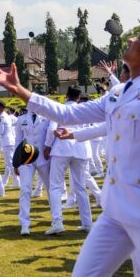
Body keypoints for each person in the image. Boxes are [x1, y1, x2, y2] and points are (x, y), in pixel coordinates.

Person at [0, 24, 140, 277]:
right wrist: (20, 90)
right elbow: (67, 114)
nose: (131, 38)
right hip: (115, 210)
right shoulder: (118, 94)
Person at [44, 86, 92, 235]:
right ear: (78, 97)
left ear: (67, 95)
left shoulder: (60, 109)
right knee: (81, 187)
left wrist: (47, 146)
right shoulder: (84, 109)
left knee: (55, 186)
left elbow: (52, 129)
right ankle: (87, 222)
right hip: (80, 148)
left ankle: (57, 222)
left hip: (62, 148)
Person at [14, 110, 53, 235]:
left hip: (43, 157)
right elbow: (18, 140)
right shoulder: (21, 119)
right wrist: (16, 161)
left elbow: (51, 136)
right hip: (26, 159)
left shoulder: (47, 116)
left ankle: (56, 219)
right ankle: (24, 223)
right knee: (25, 189)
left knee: (50, 189)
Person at [0, 104, 19, 188]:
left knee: (10, 163)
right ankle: (4, 182)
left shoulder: (2, 117)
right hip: (10, 140)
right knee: (8, 164)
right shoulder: (7, 116)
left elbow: (0, 131)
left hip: (7, 142)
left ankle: (17, 181)